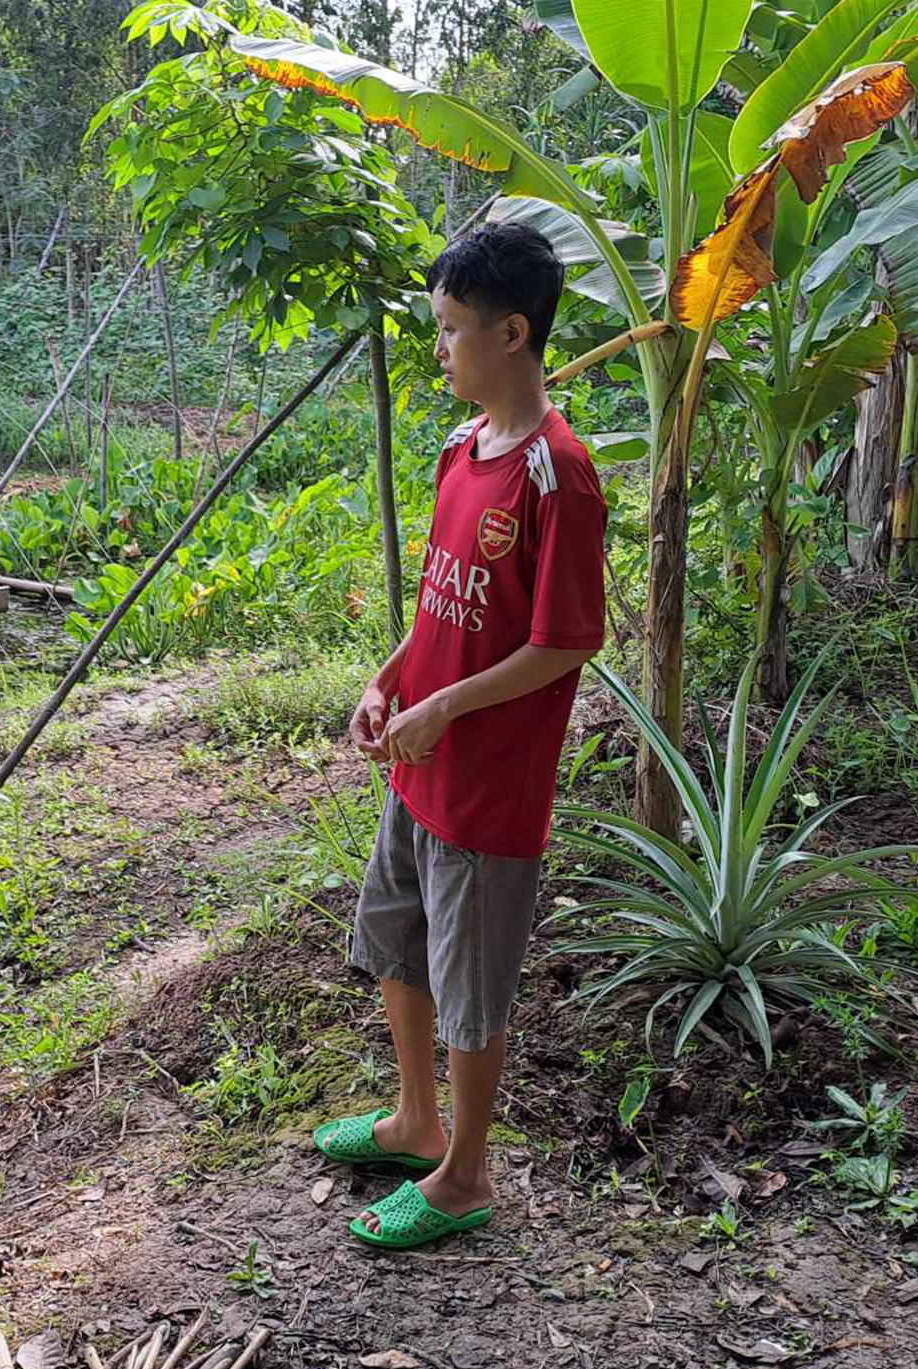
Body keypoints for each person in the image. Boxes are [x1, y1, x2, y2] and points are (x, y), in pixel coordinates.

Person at [314, 222, 607, 1249]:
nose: (437, 348)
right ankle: (412, 1118)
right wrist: (390, 680)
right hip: (416, 766)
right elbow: (440, 606)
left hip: (486, 784)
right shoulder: (459, 449)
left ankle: (464, 1174)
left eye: (449, 330)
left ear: (512, 333)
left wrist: (444, 709)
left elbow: (564, 643)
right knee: (396, 936)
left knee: (472, 982)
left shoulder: (553, 475)